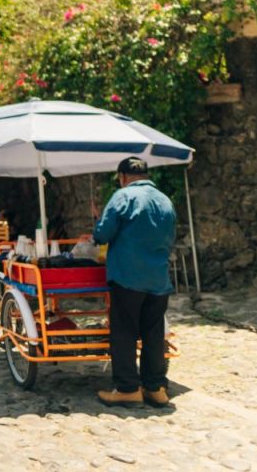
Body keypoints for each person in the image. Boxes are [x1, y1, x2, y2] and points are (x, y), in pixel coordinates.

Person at [92, 157, 177, 408]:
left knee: (124, 331)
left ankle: (128, 389)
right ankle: (155, 388)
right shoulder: (165, 200)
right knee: (153, 332)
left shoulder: (123, 197)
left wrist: (98, 220)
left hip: (128, 276)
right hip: (159, 278)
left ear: (122, 177)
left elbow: (102, 234)